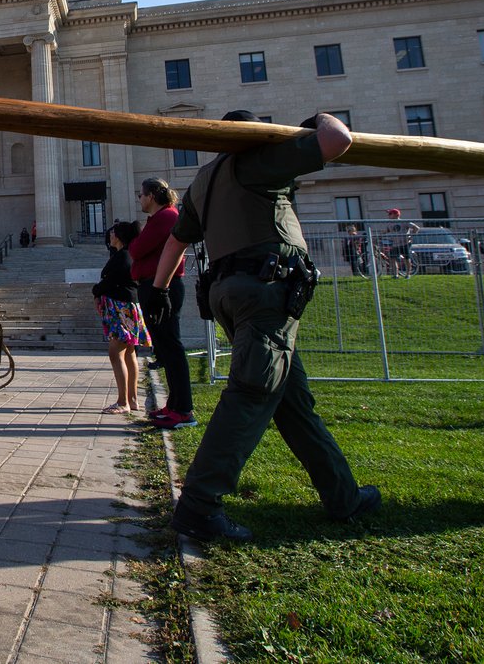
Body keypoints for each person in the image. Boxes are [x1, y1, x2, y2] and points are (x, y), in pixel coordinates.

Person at [143, 110, 380, 544]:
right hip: (264, 292)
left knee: (291, 400)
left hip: (232, 292)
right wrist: (310, 122)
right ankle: (199, 504)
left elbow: (178, 238)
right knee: (252, 391)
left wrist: (158, 290)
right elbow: (337, 137)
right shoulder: (256, 160)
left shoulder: (205, 178)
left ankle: (342, 496)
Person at [128, 178, 195, 430]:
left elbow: (136, 249)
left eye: (141, 195)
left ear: (152, 196)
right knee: (165, 348)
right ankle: (175, 405)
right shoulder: (159, 218)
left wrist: (135, 245)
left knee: (171, 347)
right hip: (154, 285)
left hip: (161, 286)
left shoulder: (166, 217)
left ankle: (183, 410)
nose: (140, 199)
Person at [94, 220, 150, 414]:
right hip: (126, 307)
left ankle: (122, 402)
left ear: (118, 236)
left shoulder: (123, 257)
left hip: (121, 309)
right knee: (129, 353)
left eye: (111, 233)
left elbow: (109, 281)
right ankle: (132, 400)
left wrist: (96, 291)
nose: (109, 236)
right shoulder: (126, 255)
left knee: (115, 352)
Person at [378, 208, 417, 278]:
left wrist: (411, 236)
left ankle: (408, 274)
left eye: (390, 214)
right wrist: (379, 236)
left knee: (406, 258)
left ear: (396, 215)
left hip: (405, 243)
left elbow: (416, 228)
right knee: (392, 258)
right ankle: (396, 274)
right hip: (395, 244)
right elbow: (386, 231)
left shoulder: (404, 222)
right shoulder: (389, 224)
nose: (388, 215)